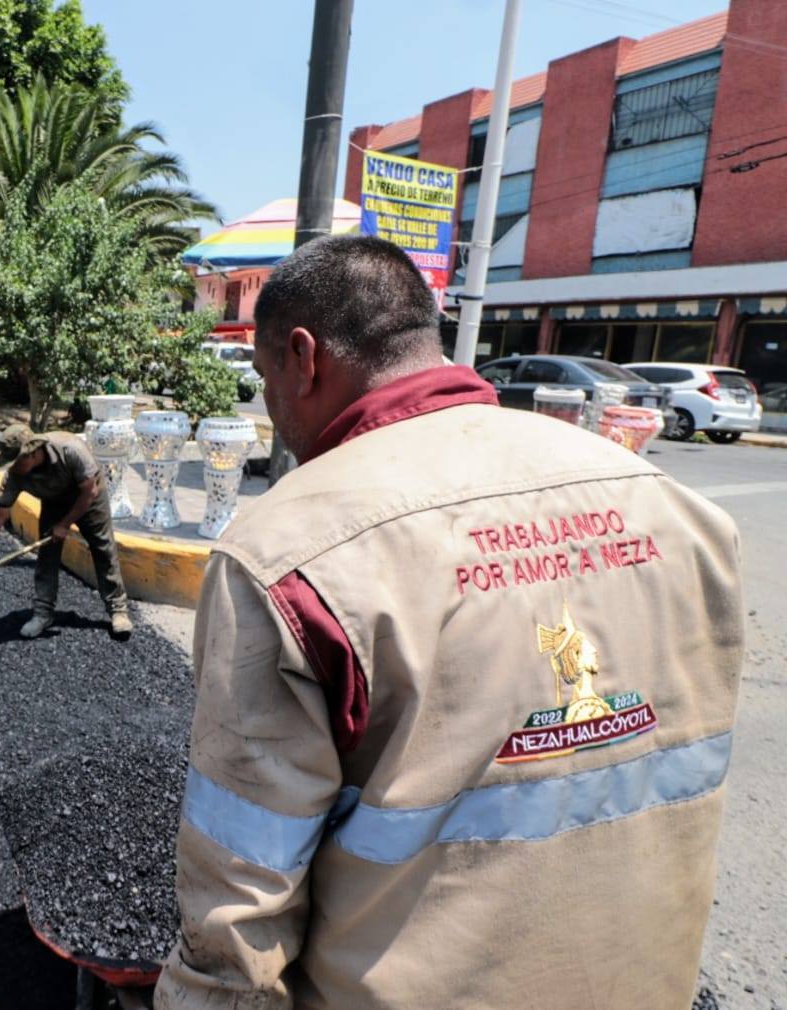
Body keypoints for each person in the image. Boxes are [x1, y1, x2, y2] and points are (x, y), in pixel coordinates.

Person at [156, 235, 744, 1010]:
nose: (267, 402)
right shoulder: (673, 506)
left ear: (304, 358)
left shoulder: (286, 553)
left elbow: (241, 893)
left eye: (264, 378)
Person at [0, 424, 132, 641]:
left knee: (103, 547)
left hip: (89, 498)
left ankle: (118, 609)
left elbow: (90, 491)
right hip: (54, 502)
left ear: (32, 453)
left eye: (16, 462)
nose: (12, 468)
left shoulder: (70, 450)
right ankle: (43, 613)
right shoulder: (15, 475)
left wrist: (65, 524)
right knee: (47, 553)